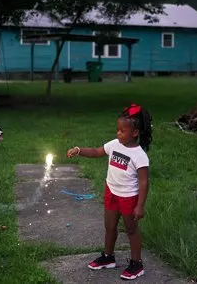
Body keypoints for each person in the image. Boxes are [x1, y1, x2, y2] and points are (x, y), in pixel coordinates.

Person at [66, 103, 152, 280]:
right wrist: (79, 150)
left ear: (135, 133)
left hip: (129, 197)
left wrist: (140, 206)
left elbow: (144, 182)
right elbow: (97, 151)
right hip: (111, 192)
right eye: (117, 129)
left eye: (122, 131)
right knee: (110, 227)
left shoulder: (139, 155)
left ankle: (136, 264)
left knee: (131, 230)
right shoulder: (114, 145)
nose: (118, 133)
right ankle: (108, 257)